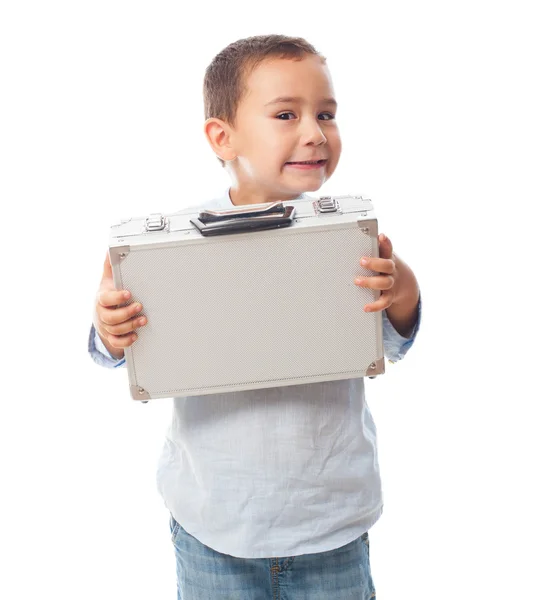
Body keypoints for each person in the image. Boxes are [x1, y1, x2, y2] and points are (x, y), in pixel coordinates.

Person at [89, 34, 422, 600]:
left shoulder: (348, 239)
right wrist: (109, 328)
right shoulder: (171, 246)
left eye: (327, 114)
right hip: (213, 526)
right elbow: (113, 348)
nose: (315, 133)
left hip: (331, 526)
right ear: (223, 136)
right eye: (286, 114)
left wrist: (402, 286)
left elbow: (393, 340)